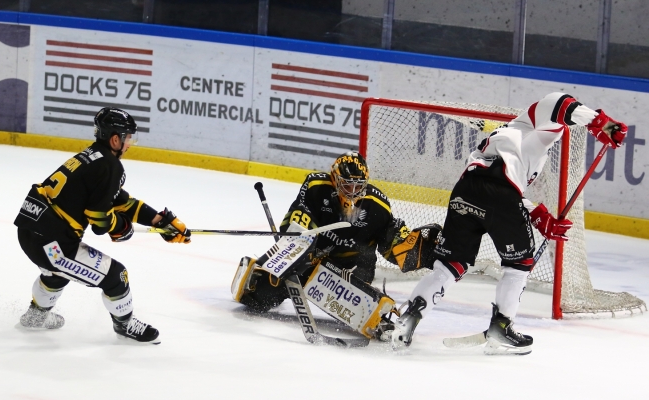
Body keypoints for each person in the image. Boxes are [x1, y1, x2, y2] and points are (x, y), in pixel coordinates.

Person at [390, 92, 628, 355]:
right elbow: (559, 102)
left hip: (465, 191)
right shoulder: (532, 121)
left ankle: (406, 320)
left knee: (449, 265)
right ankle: (501, 329)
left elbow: (501, 189)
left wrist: (538, 215)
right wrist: (605, 125)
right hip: (500, 194)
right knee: (519, 264)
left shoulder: (508, 139)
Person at [13, 107, 191, 344]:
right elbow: (99, 220)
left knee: (59, 273)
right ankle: (125, 325)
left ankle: (36, 317)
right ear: (115, 139)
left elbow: (119, 201)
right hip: (51, 244)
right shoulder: (110, 165)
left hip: (31, 231)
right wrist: (121, 227)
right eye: (128, 138)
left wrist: (159, 220)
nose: (130, 144)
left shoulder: (92, 157)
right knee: (117, 276)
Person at [232, 151, 421, 336]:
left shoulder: (378, 205)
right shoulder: (316, 187)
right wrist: (299, 249)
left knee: (357, 308)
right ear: (335, 179)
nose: (353, 192)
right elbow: (295, 221)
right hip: (312, 258)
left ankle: (375, 313)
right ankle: (259, 277)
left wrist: (410, 247)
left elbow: (391, 243)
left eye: (358, 186)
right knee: (258, 298)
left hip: (353, 265)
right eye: (347, 185)